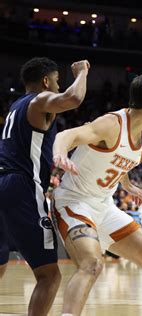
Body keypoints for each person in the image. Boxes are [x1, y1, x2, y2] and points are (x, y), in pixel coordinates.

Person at [52, 73, 142, 315]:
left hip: (104, 206)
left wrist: (126, 183)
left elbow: (120, 158)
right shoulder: (113, 124)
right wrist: (60, 154)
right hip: (74, 203)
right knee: (92, 264)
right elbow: (67, 135)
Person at [0, 57, 89, 316]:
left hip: (4, 182)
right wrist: (82, 73)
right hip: (21, 186)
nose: (60, 86)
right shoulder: (39, 100)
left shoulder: (16, 106)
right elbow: (73, 99)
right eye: (58, 81)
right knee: (49, 275)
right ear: (46, 81)